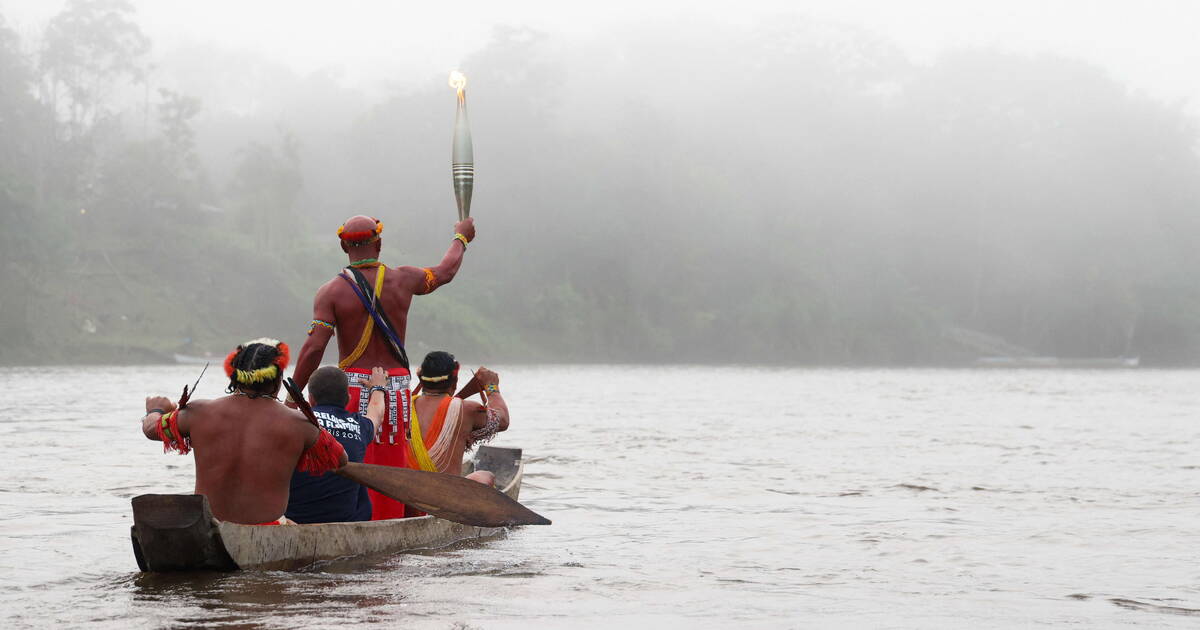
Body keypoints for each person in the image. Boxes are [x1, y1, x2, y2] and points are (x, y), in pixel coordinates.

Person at [291, 214, 476, 519]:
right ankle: (389, 524)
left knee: (351, 461)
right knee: (392, 462)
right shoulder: (404, 279)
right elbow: (444, 272)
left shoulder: (330, 292)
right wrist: (461, 238)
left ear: (342, 246)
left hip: (349, 390)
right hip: (396, 390)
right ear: (379, 244)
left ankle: (350, 521)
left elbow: (314, 348)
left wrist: (293, 394)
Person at [140, 338, 347, 525]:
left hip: (207, 526)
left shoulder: (197, 412)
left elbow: (151, 429)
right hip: (268, 529)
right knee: (290, 524)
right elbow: (340, 459)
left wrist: (156, 410)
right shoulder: (300, 424)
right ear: (278, 379)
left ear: (234, 377)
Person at [285, 366, 387, 523]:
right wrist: (378, 388)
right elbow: (377, 413)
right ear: (348, 398)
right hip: (345, 522)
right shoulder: (359, 425)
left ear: (310, 399)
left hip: (294, 520)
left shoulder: (295, 421)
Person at [408, 351, 509, 487]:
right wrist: (492, 387)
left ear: (420, 378)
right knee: (485, 476)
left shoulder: (402, 405)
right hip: (446, 493)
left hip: (407, 489)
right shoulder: (466, 410)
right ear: (454, 382)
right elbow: (503, 421)